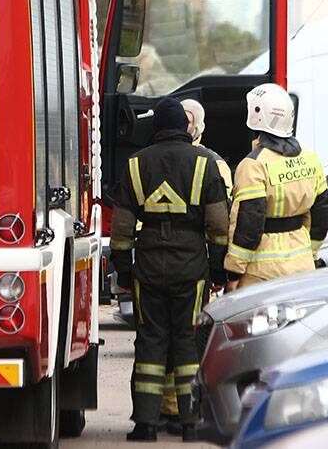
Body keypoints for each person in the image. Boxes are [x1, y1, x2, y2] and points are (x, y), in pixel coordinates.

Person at [109, 97, 230, 443]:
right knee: (187, 342)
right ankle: (191, 423)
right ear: (185, 126)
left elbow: (121, 227)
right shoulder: (205, 164)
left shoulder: (135, 165)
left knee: (150, 341)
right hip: (191, 265)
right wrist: (218, 268)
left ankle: (145, 425)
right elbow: (218, 224)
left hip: (148, 264)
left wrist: (124, 269)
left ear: (157, 127)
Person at [152, 99, 233, 435]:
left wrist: (217, 268)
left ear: (198, 125)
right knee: (174, 339)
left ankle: (175, 411)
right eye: (180, 119)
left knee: (180, 339)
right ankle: (173, 413)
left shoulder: (214, 163)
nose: (184, 125)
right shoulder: (197, 162)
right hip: (184, 261)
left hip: (177, 261)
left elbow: (220, 221)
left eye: (189, 120)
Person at [225, 83, 328, 290]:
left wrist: (234, 273)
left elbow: (249, 223)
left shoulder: (253, 164)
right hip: (303, 265)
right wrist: (310, 253)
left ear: (256, 114)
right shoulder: (310, 158)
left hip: (261, 274)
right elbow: (321, 214)